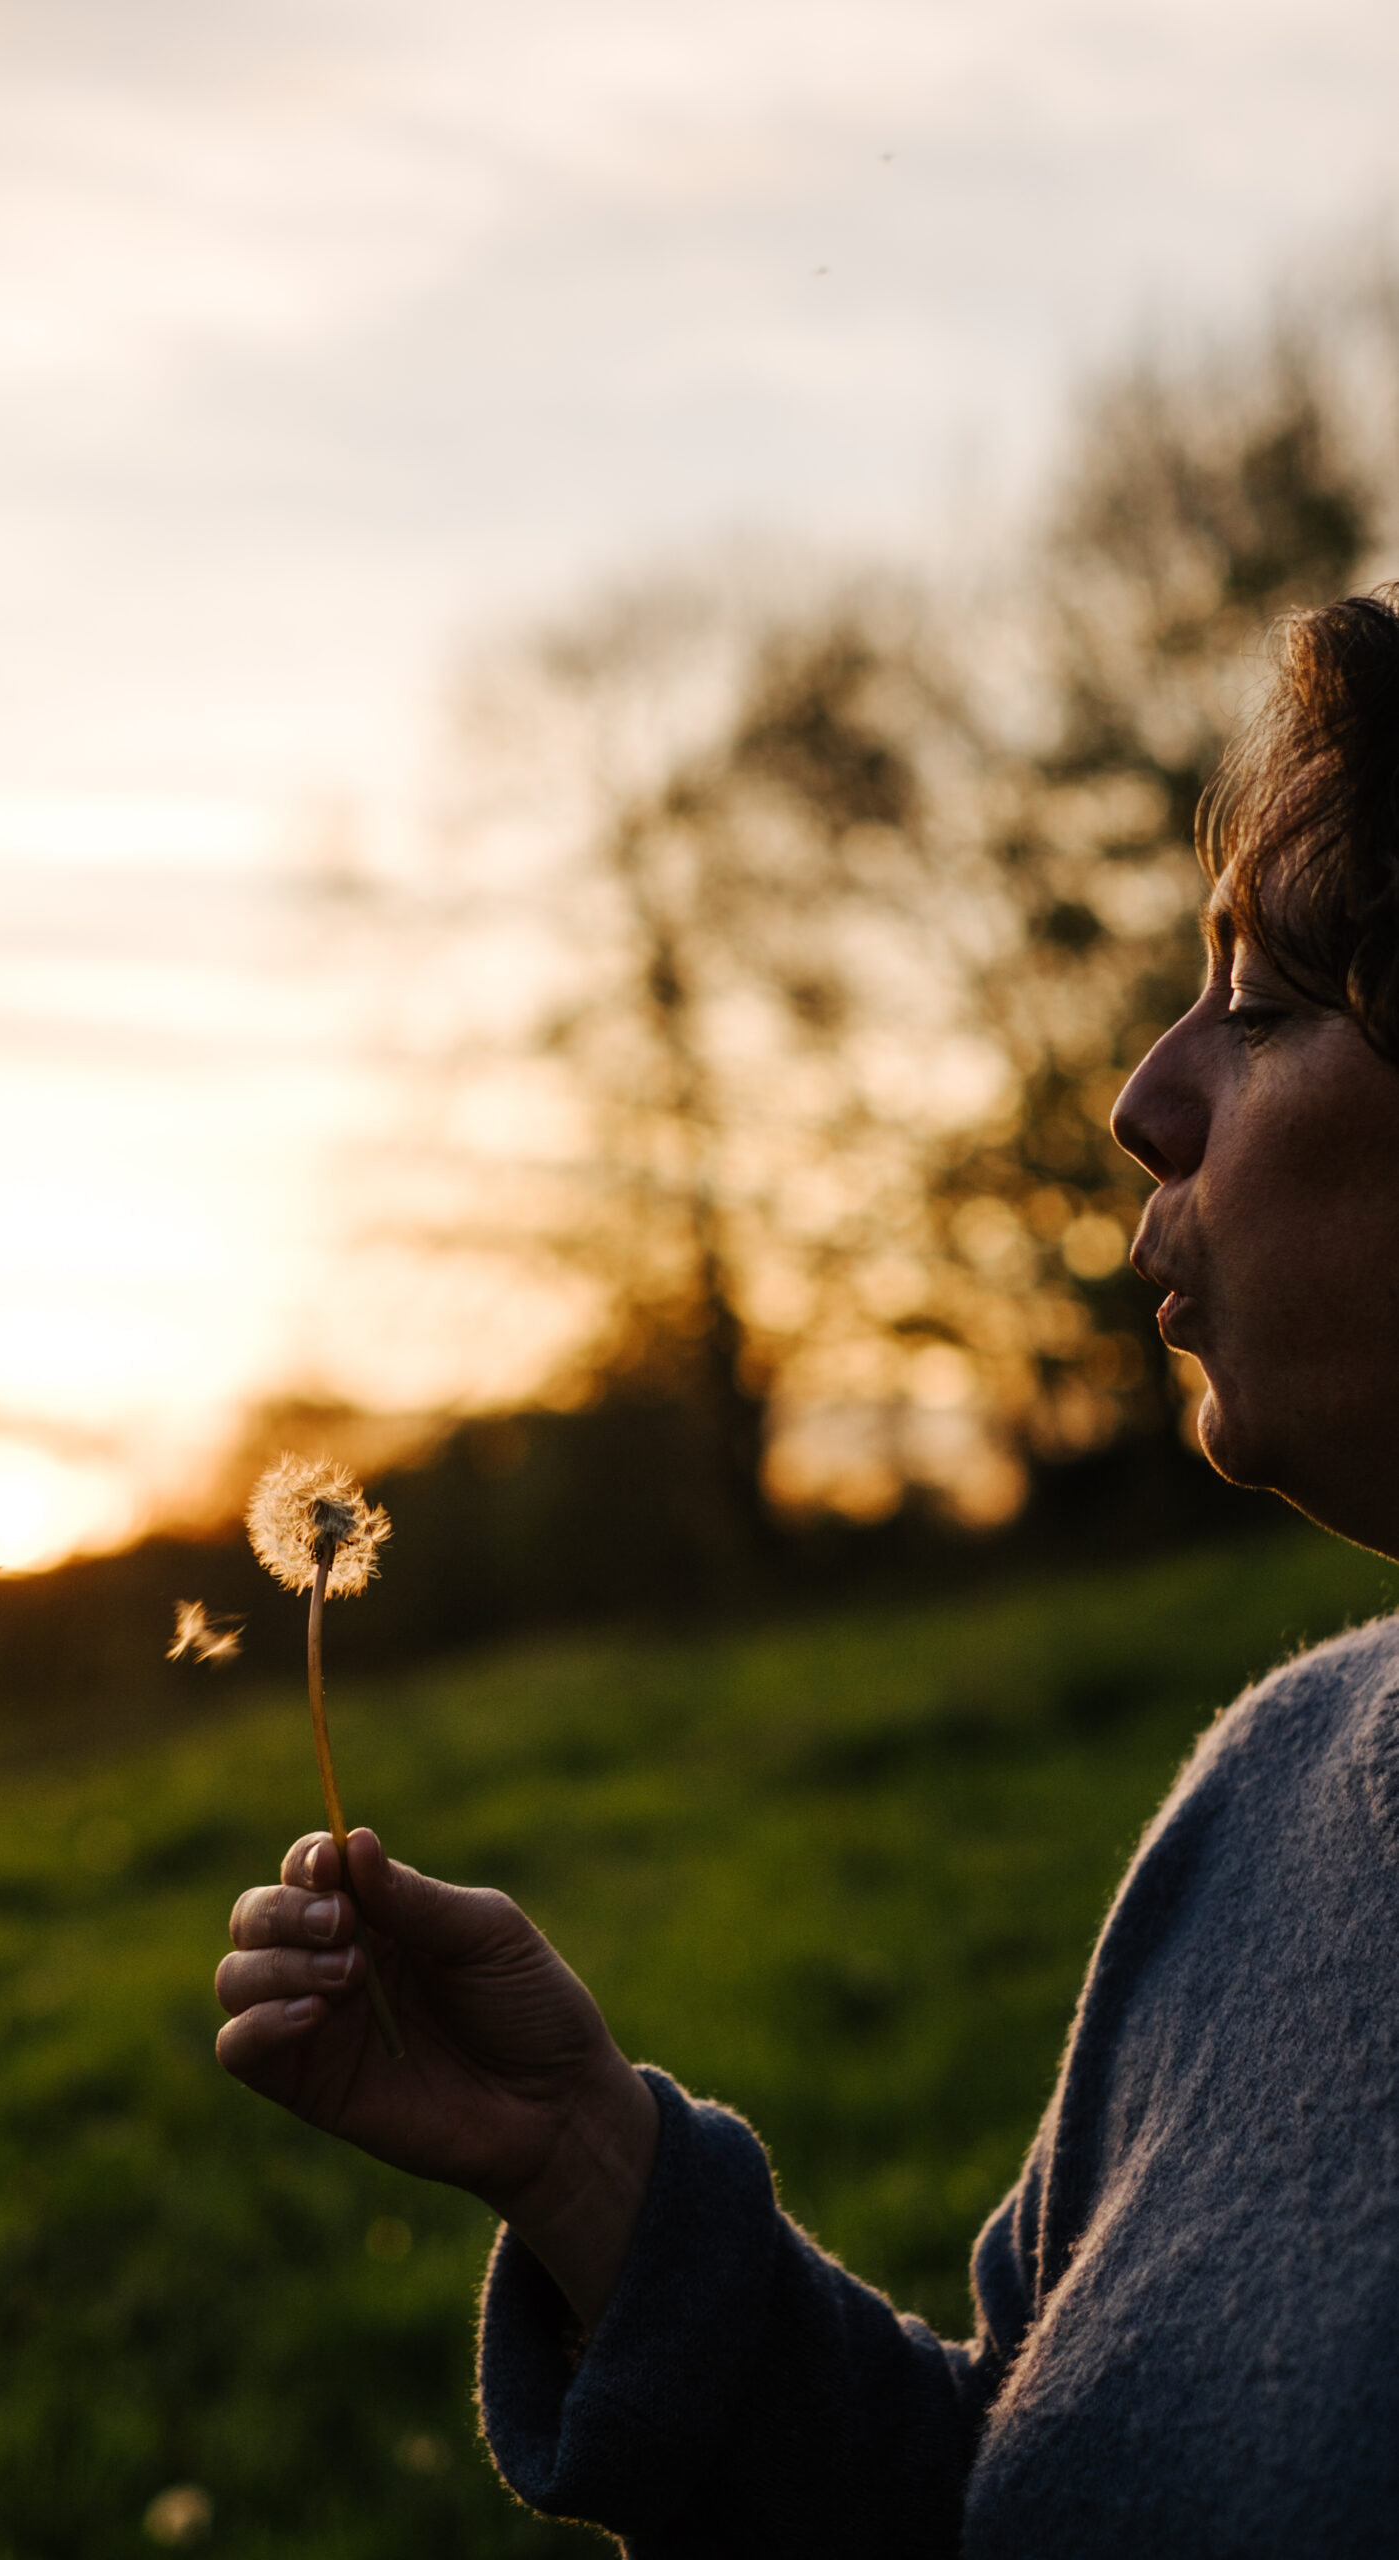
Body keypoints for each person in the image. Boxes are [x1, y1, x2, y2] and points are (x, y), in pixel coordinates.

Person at [214, 588, 1399, 2555]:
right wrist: (587, 2161)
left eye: (1264, 1004)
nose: (1144, 1097)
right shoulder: (1264, 1803)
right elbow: (1001, 2500)